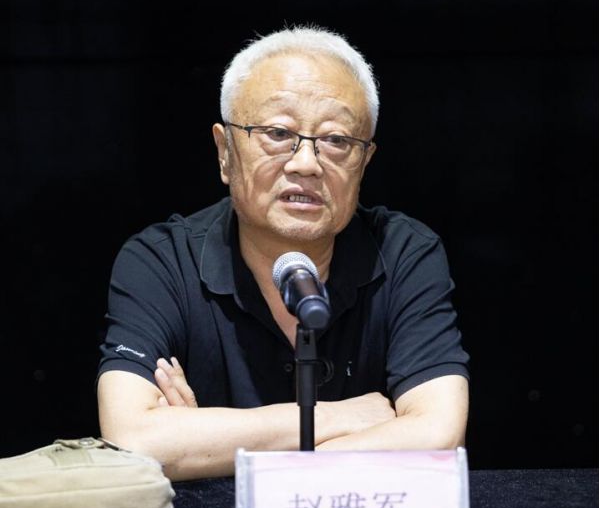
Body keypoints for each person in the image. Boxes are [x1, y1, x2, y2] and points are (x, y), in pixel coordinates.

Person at [97, 25, 470, 481]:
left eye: (337, 140)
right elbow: (133, 442)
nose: (306, 163)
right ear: (225, 151)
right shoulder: (160, 261)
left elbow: (438, 436)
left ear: (365, 161)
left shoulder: (405, 252)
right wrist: (338, 418)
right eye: (277, 132)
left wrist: (208, 447)